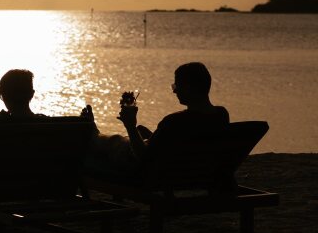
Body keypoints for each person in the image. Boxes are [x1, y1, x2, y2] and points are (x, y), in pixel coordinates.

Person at [86, 62, 230, 175]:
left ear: (188, 87)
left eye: (176, 85)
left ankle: (93, 133)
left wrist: (130, 125)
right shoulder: (221, 114)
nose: (174, 91)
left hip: (158, 172)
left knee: (116, 140)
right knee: (140, 131)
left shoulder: (174, 122)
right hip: (193, 169)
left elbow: (143, 157)